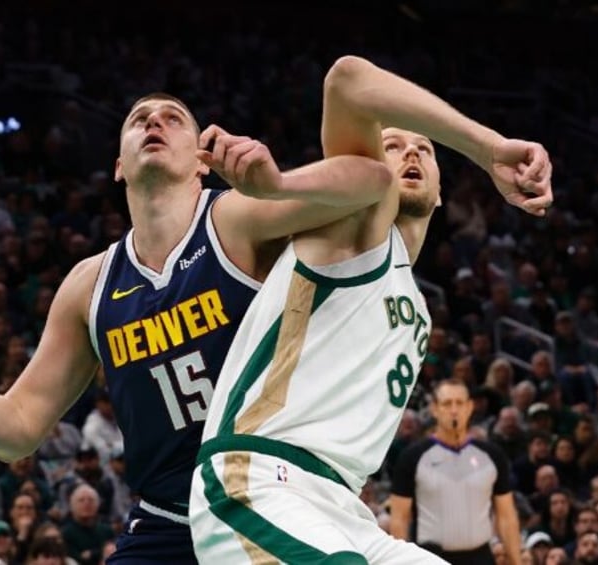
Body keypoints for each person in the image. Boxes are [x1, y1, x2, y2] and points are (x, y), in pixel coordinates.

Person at [0, 90, 404, 564]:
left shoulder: (234, 219)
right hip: (166, 519)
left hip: (267, 499)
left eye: (172, 118)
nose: (153, 121)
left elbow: (368, 185)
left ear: (202, 162)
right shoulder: (88, 285)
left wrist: (277, 184)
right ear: (119, 166)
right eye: (139, 120)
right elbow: (18, 431)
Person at [189, 55, 551, 563]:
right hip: (260, 482)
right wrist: (488, 148)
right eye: (393, 145)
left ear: (442, 191)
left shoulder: (414, 302)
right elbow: (348, 80)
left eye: (424, 148)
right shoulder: (355, 227)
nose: (409, 154)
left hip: (342, 509)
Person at [389, 379, 521, 564]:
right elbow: (399, 519)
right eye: (447, 403)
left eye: (459, 403)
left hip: (481, 557)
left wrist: (517, 561)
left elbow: (507, 516)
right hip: (431, 558)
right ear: (434, 408)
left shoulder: (492, 456)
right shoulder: (412, 457)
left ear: (469, 407)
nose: (454, 410)